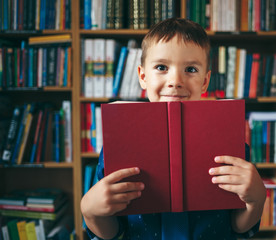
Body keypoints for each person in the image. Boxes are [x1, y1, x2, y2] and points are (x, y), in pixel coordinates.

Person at [81, 18, 266, 240]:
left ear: (205, 81)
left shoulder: (230, 143)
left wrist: (257, 200)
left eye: (190, 69)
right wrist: (90, 212)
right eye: (161, 67)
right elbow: (112, 232)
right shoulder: (119, 145)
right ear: (142, 76)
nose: (175, 80)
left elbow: (238, 226)